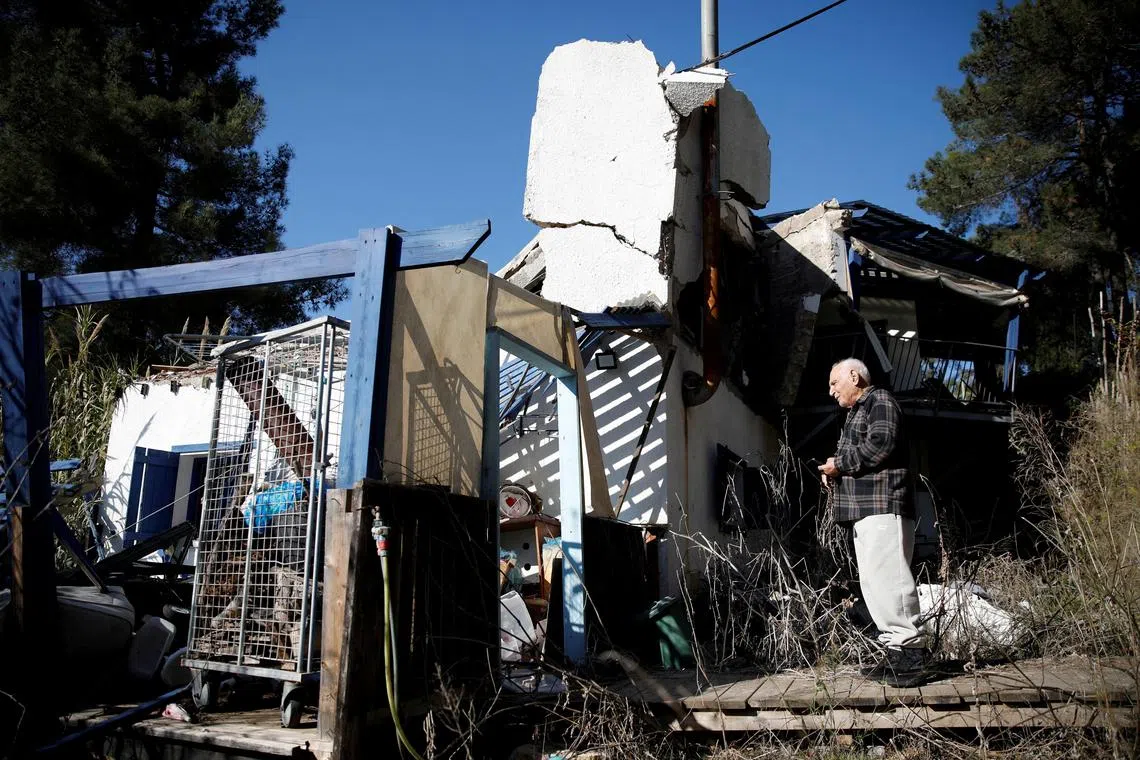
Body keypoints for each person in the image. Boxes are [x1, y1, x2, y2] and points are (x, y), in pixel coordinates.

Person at [817, 358, 930, 687]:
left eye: (834, 383)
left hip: (882, 507)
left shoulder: (878, 400)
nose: (830, 391)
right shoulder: (862, 409)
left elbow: (882, 443)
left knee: (889, 582)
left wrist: (840, 464)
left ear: (854, 376)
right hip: (869, 510)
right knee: (877, 585)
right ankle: (897, 653)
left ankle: (909, 655)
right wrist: (836, 472)